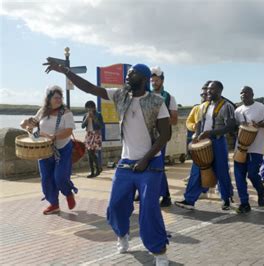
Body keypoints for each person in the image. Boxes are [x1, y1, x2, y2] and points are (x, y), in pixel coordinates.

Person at [44, 59, 171, 265]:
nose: (126, 77)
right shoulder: (120, 95)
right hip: (126, 164)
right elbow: (89, 88)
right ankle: (122, 235)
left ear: (144, 79)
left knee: (149, 209)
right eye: (127, 74)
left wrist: (146, 160)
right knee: (115, 206)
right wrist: (66, 71)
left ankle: (160, 251)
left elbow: (166, 134)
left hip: (150, 165)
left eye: (132, 74)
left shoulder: (157, 102)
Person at [175, 81, 235, 211]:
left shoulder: (227, 106)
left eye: (212, 89)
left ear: (220, 91)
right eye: (207, 89)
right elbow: (198, 124)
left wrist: (211, 133)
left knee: (221, 170)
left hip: (218, 142)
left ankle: (226, 199)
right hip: (203, 142)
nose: (208, 92)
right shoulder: (203, 106)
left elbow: (230, 126)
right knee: (196, 171)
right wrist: (196, 136)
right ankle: (189, 200)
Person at [20, 86, 77, 215]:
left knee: (60, 177)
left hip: (62, 149)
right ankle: (54, 204)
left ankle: (68, 193)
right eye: (55, 97)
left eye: (60, 97)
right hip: (45, 150)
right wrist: (25, 123)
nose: (58, 100)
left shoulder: (66, 112)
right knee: (46, 178)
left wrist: (55, 137)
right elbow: (32, 124)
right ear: (49, 99)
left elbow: (69, 131)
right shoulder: (42, 111)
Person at [234, 86, 264, 213]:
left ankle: (261, 190)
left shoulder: (261, 107)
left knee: (252, 174)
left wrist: (260, 125)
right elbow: (234, 126)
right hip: (240, 148)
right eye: (241, 93)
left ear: (252, 94)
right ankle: (244, 203)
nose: (243, 95)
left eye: (246, 92)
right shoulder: (238, 111)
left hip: (255, 149)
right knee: (239, 176)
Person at [151, 67, 178, 207]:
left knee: (158, 165)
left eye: (156, 80)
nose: (154, 83)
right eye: (152, 80)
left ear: (162, 80)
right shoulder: (146, 95)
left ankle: (166, 195)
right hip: (147, 135)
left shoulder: (169, 98)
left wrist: (160, 119)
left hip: (161, 136)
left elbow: (174, 119)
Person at [81, 100, 104, 178]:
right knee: (89, 153)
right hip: (89, 134)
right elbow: (82, 126)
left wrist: (94, 118)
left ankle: (98, 168)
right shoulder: (85, 115)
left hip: (96, 134)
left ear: (94, 108)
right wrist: (87, 118)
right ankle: (93, 171)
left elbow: (101, 126)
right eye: (87, 108)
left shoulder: (98, 114)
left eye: (91, 108)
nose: (89, 110)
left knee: (91, 153)